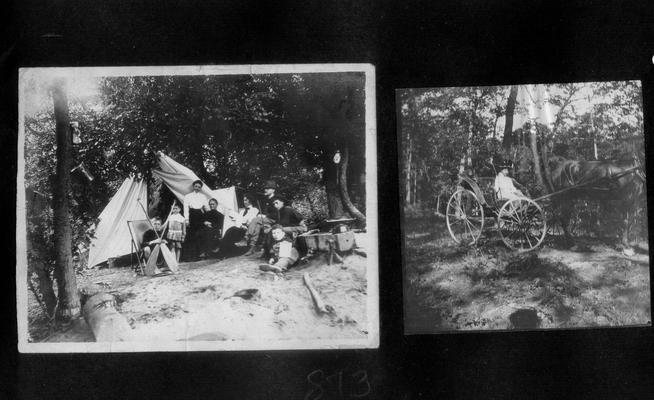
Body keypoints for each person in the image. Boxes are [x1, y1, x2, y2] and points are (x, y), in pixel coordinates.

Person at [244, 180, 279, 256]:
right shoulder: (266, 199)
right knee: (257, 225)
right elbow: (264, 211)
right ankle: (252, 248)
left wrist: (265, 216)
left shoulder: (276, 199)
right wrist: (261, 215)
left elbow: (276, 214)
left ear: (273, 190)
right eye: (265, 188)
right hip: (265, 220)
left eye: (268, 188)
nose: (265, 190)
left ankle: (247, 236)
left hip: (273, 220)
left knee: (255, 220)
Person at [183, 179, 209, 261]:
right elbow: (185, 209)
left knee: (199, 235)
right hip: (192, 215)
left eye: (199, 187)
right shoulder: (187, 196)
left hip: (200, 215)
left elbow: (206, 208)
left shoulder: (203, 196)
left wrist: (209, 216)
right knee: (191, 236)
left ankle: (198, 255)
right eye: (196, 186)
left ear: (201, 188)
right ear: (193, 186)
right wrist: (187, 219)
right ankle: (189, 257)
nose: (197, 188)